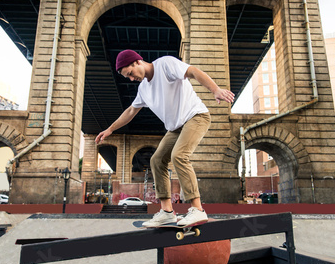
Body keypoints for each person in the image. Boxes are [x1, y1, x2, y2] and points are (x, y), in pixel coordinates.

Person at [95, 50, 234, 226]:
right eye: (127, 77)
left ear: (137, 62)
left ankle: (198, 210)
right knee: (157, 160)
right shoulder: (143, 89)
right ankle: (168, 212)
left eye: (130, 74)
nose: (131, 79)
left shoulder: (165, 65)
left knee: (179, 156)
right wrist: (110, 129)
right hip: (175, 128)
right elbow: (131, 111)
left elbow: (192, 71)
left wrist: (215, 90)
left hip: (196, 117)